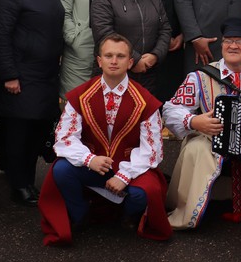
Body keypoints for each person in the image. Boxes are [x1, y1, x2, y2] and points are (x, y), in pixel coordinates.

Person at [39, 33, 172, 245]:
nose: (113, 61)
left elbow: (152, 149)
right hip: (94, 166)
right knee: (61, 170)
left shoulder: (146, 101)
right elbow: (64, 138)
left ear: (130, 62)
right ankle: (81, 214)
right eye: (108, 55)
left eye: (120, 56)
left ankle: (127, 216)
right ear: (99, 61)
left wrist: (124, 176)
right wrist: (89, 159)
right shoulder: (80, 96)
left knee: (147, 192)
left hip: (130, 166)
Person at [163, 17, 241, 228]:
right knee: (197, 148)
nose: (233, 46)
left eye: (240, 41)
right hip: (214, 149)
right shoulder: (200, 77)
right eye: (228, 41)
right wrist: (193, 120)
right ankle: (189, 211)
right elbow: (171, 109)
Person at [0, 0, 64, 207]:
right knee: (18, 130)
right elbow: (1, 34)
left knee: (37, 128)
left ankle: (28, 180)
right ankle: (18, 184)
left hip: (46, 72)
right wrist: (9, 74)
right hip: (21, 72)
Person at [90, 0, 173, 92]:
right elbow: (103, 32)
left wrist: (155, 55)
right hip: (114, 75)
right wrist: (134, 60)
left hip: (148, 74)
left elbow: (165, 28)